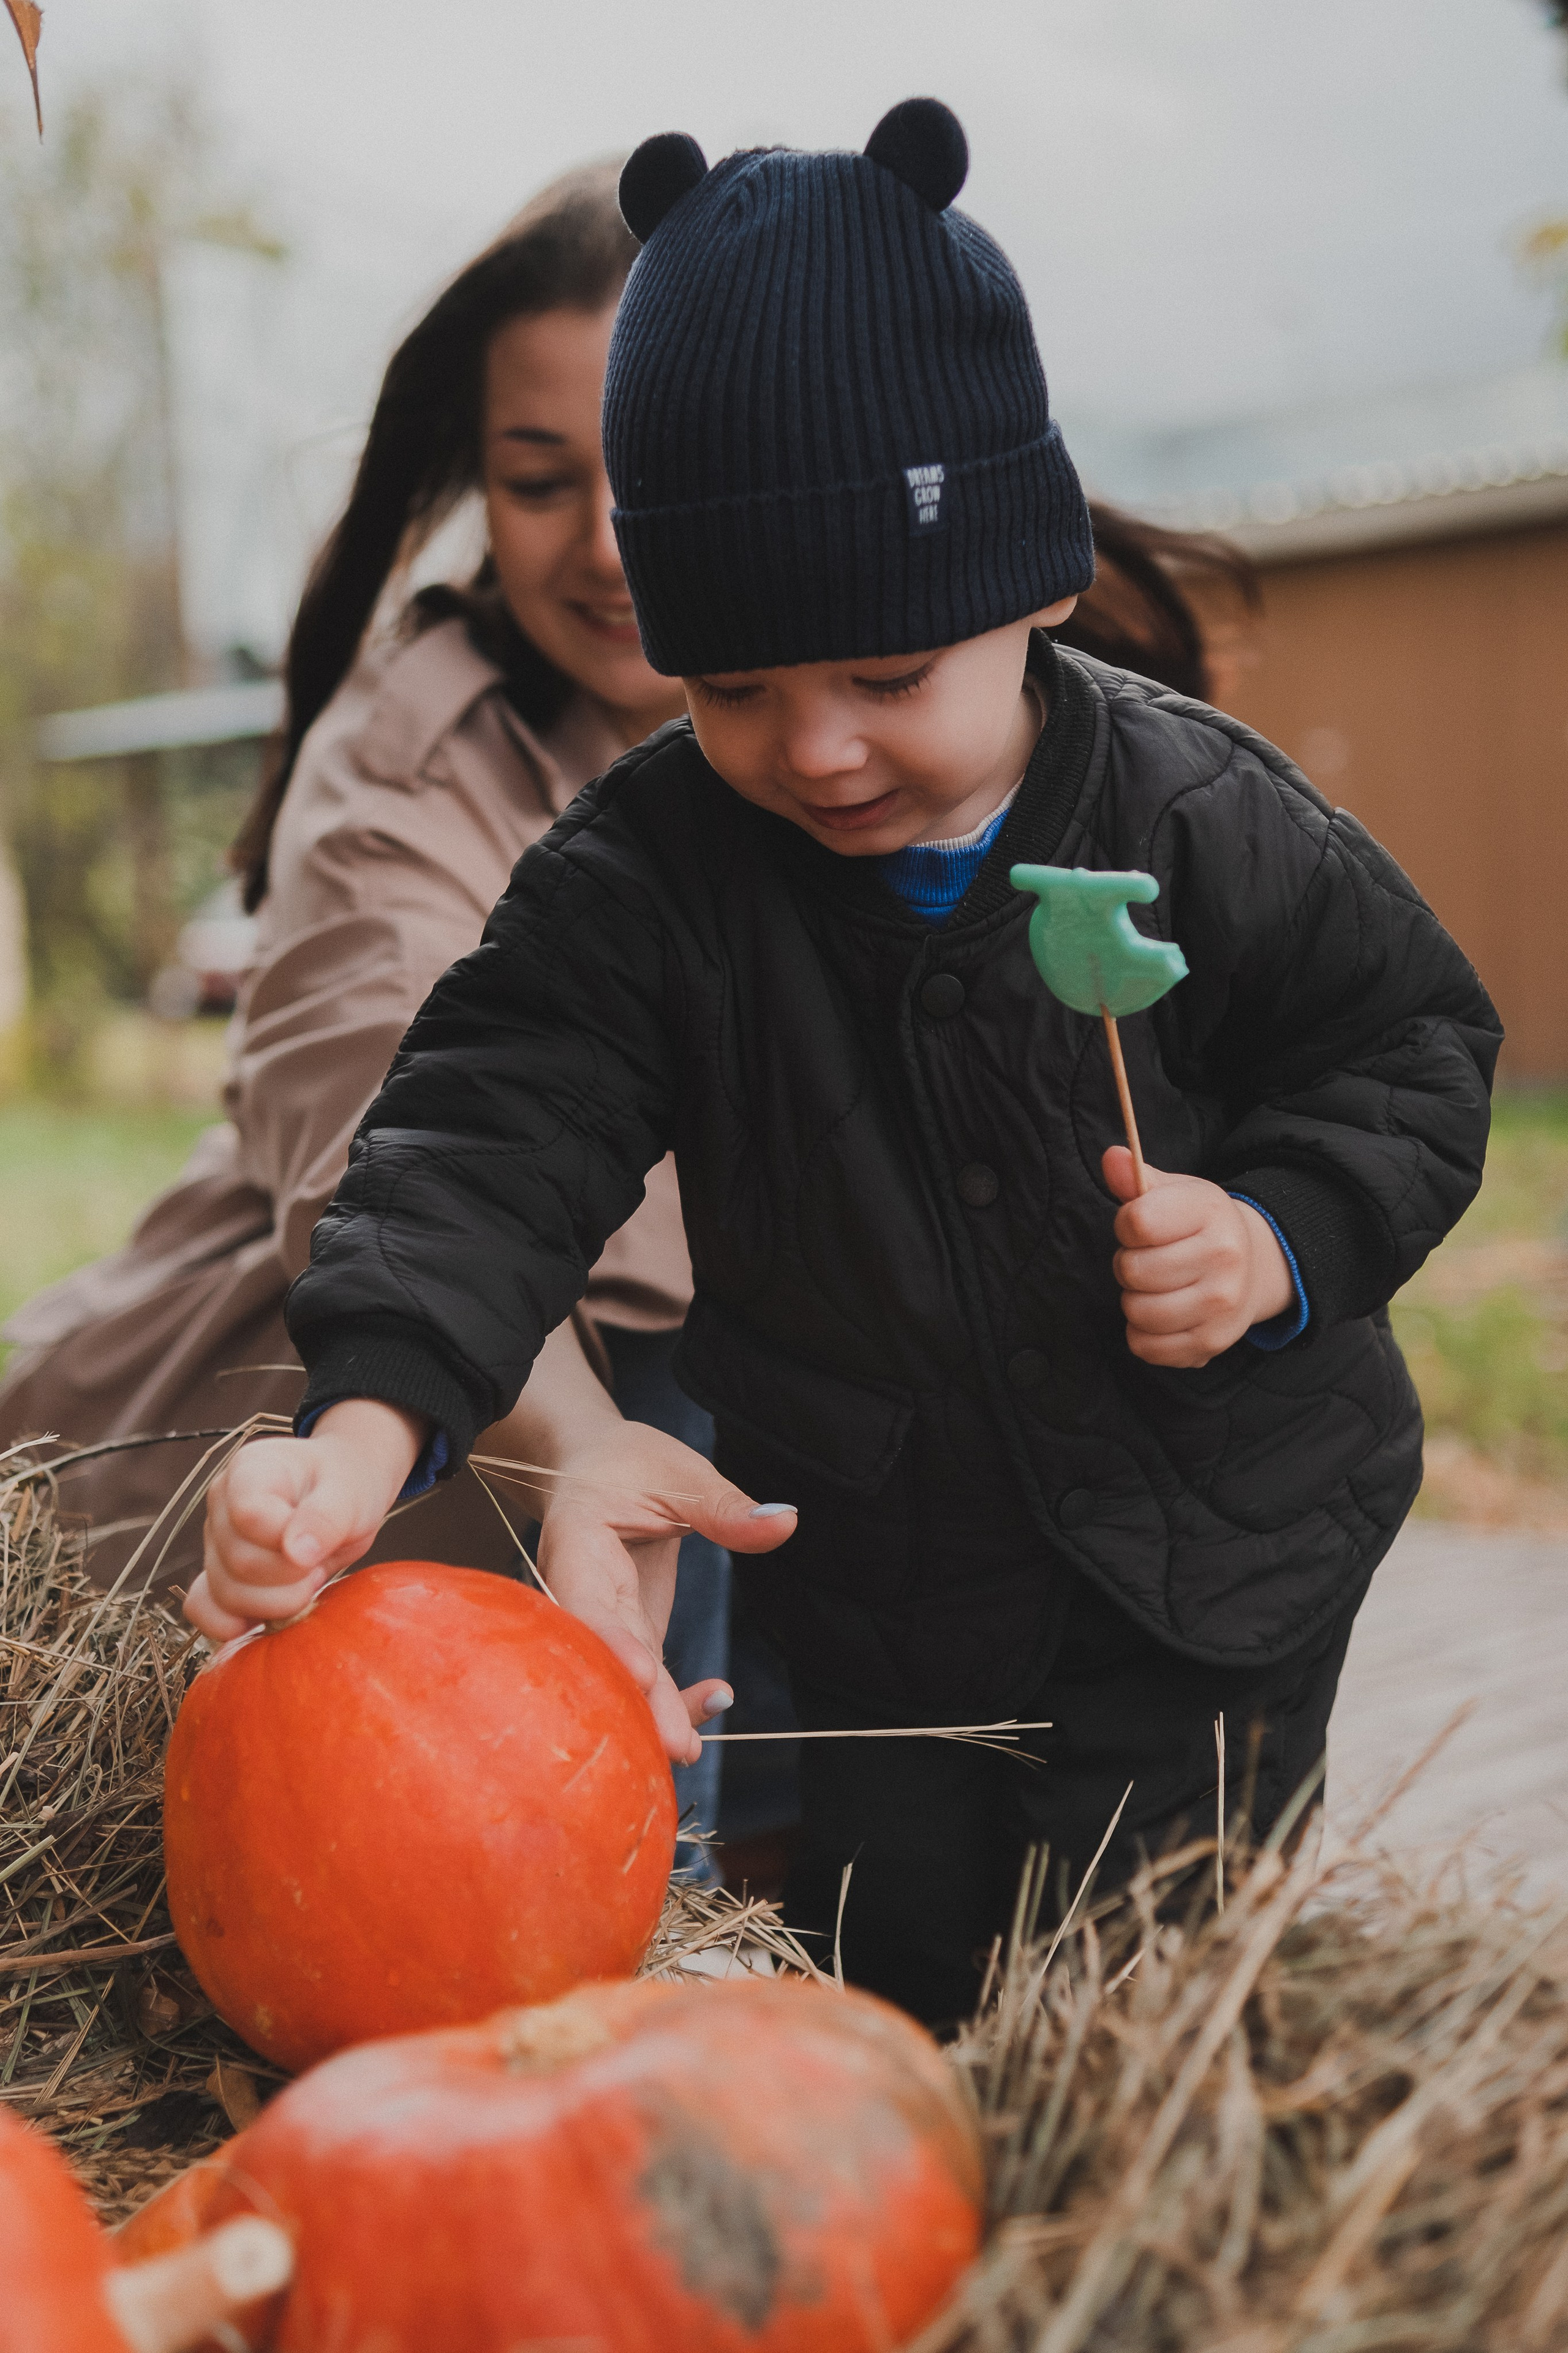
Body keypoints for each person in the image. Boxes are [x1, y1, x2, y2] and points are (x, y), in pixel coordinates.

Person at [188, 101, 1502, 2025]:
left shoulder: (1194, 811)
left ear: (1031, 583)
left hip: (1217, 1555)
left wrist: (1283, 1238)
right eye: (737, 689)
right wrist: (365, 1432)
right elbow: (485, 1132)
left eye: (886, 678)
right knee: (902, 1982)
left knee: (1137, 1991)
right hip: (891, 1583)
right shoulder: (650, 876)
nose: (814, 751)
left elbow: (1410, 1040)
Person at [0, 161, 732, 1859]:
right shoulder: (405, 768)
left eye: (660, 470)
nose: (610, 543)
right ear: (474, 485)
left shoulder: (858, 723)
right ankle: (646, 1885)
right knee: (654, 1341)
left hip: (749, 1456)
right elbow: (394, 1162)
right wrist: (584, 1446)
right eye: (541, 483)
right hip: (391, 1408)